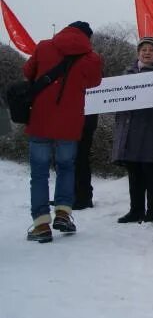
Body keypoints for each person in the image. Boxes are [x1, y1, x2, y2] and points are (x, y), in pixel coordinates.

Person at [23, 21, 103, 242]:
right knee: (66, 168)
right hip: (69, 124)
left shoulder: (44, 46)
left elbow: (27, 71)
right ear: (88, 37)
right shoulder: (92, 57)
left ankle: (40, 226)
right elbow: (94, 82)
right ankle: (63, 215)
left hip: (40, 120)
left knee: (39, 173)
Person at [112, 36, 153, 223]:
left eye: (151, 50)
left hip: (152, 129)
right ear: (138, 52)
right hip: (130, 129)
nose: (147, 52)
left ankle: (152, 212)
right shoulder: (128, 72)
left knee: (151, 171)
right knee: (134, 172)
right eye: (143, 49)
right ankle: (136, 210)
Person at [73, 114, 98, 210]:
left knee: (80, 159)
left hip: (85, 119)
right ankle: (70, 196)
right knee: (72, 160)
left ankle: (83, 197)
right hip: (75, 118)